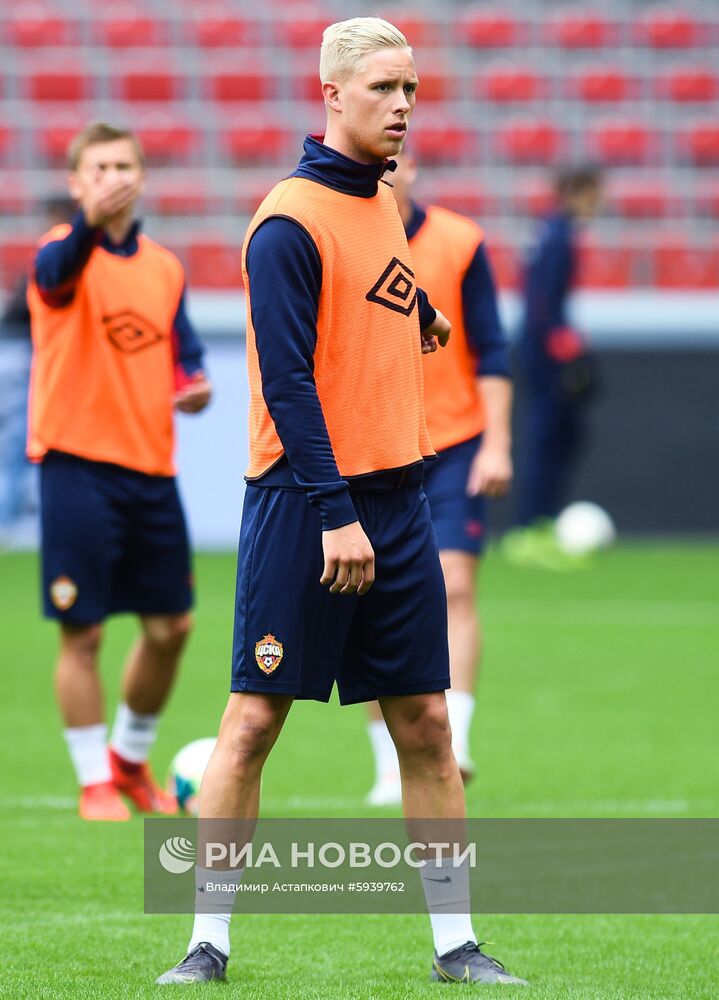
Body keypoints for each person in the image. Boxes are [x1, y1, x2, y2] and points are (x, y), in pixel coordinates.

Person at [156, 17, 526, 988]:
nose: (402, 107)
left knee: (427, 726)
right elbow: (285, 383)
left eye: (410, 91)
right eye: (382, 89)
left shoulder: (381, 200)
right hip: (305, 503)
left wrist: (425, 313)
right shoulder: (288, 221)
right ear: (331, 95)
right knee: (251, 723)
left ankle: (456, 946)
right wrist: (334, 514)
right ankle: (206, 944)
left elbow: (378, 290)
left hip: (398, 500)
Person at [27, 122, 212, 822]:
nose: (111, 178)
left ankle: (128, 763)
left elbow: (186, 356)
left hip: (150, 468)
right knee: (85, 632)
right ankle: (92, 782)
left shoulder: (164, 268)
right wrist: (88, 222)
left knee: (172, 627)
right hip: (76, 465)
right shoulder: (59, 252)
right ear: (77, 182)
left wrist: (195, 386)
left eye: (123, 166)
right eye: (98, 168)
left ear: (142, 176)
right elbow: (54, 278)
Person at [365, 152, 513, 805]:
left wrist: (497, 443)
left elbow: (490, 347)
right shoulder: (341, 237)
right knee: (369, 600)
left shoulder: (460, 241)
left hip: (452, 442)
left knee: (455, 585)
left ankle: (455, 740)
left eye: (396, 159)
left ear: (414, 166)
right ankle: (387, 766)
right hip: (374, 444)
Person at [506, 166, 602, 564]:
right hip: (546, 352)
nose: (600, 202)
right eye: (595, 192)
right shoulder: (558, 234)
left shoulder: (549, 231)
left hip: (541, 346)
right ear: (577, 191)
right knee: (548, 438)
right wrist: (560, 342)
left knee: (558, 436)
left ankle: (540, 524)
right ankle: (531, 529)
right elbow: (542, 299)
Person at [0, 197, 75, 544]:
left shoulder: (59, 257)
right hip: (40, 359)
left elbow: (18, 312)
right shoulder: (54, 258)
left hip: (39, 360)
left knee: (22, 440)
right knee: (22, 440)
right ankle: (12, 518)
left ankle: (11, 519)